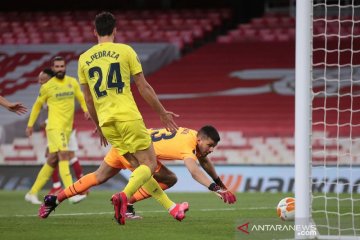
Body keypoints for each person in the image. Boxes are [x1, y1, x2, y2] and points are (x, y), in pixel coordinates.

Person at [39, 11, 184, 225]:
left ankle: (171, 208)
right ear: (115, 30)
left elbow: (88, 99)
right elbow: (143, 86)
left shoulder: (84, 58)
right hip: (127, 117)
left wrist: (99, 125)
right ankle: (123, 198)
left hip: (107, 122)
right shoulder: (125, 51)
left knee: (136, 168)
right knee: (149, 164)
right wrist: (162, 112)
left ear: (94, 31)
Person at [39, 126, 236, 220]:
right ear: (201, 140)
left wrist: (220, 184)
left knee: (98, 176)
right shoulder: (188, 144)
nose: (211, 150)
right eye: (210, 145)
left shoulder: (193, 135)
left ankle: (54, 200)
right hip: (136, 153)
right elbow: (194, 171)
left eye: (214, 147)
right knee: (169, 178)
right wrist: (214, 188)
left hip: (126, 145)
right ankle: (128, 203)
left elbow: (204, 161)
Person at [25, 57, 90, 204]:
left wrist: (86, 110)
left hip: (67, 129)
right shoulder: (47, 87)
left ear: (65, 67)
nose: (60, 69)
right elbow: (36, 106)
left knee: (53, 160)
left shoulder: (72, 82)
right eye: (57, 67)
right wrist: (30, 125)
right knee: (64, 155)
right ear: (53, 69)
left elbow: (80, 97)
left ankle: (32, 192)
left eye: (62, 66)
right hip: (55, 127)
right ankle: (71, 194)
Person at [37, 69, 85, 196]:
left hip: (64, 128)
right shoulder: (47, 90)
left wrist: (47, 122)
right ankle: (79, 186)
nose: (40, 82)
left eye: (42, 79)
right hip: (60, 127)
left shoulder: (56, 89)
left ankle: (60, 186)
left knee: (58, 155)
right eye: (39, 80)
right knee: (64, 156)